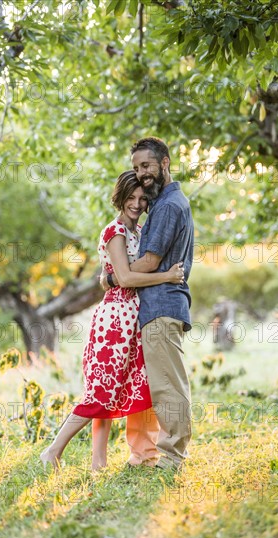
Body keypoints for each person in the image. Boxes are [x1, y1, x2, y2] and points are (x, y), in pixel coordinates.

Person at [40, 170, 184, 471]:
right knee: (101, 391)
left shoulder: (139, 230)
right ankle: (52, 451)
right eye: (130, 197)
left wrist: (111, 278)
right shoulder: (115, 231)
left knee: (122, 388)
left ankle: (99, 464)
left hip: (134, 317)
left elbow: (119, 275)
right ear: (119, 198)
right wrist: (168, 276)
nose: (136, 203)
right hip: (115, 320)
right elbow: (127, 276)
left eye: (142, 198)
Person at [104, 137, 194, 470]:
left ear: (165, 162)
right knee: (164, 384)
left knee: (169, 386)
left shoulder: (169, 205)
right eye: (137, 168)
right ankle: (159, 453)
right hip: (158, 308)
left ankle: (172, 458)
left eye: (147, 165)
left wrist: (116, 277)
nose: (142, 173)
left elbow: (150, 261)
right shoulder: (162, 204)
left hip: (162, 306)